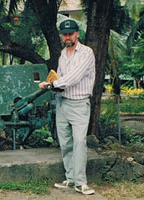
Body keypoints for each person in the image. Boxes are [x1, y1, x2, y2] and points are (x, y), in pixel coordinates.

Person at [39, 19, 96, 195]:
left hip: (79, 103)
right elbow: (60, 78)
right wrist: (52, 82)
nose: (68, 37)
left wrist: (50, 84)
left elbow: (73, 77)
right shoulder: (63, 54)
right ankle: (70, 179)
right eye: (64, 34)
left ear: (77, 33)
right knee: (65, 143)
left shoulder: (86, 53)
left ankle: (81, 183)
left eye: (71, 33)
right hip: (62, 102)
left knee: (79, 142)